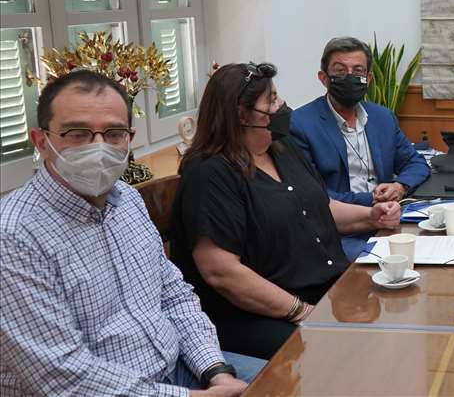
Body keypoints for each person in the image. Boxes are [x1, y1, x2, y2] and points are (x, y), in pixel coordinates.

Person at [1, 71, 262, 395]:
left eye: (114, 134)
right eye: (78, 134)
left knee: (300, 381)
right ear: (41, 141)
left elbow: (174, 295)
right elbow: (62, 376)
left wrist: (216, 370)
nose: (99, 147)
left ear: (130, 138)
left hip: (179, 369)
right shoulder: (13, 236)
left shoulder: (127, 199)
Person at [171, 63, 401, 359]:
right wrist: (301, 311)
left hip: (321, 289)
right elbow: (221, 271)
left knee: (393, 318)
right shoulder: (209, 174)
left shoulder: (282, 147)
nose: (281, 105)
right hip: (255, 315)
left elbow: (319, 209)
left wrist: (370, 216)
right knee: (346, 357)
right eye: (271, 100)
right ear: (242, 114)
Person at [291, 37, 430, 259]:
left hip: (389, 220)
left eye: (358, 71)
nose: (350, 77)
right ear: (324, 78)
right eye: (340, 71)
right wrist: (372, 200)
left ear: (369, 78)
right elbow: (311, 193)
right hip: (340, 231)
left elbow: (415, 162)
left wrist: (400, 186)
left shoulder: (382, 117)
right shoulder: (300, 124)